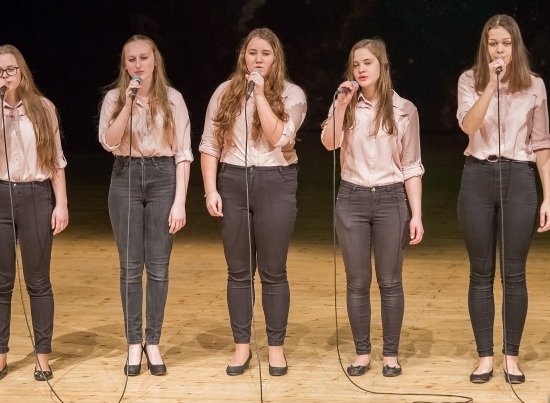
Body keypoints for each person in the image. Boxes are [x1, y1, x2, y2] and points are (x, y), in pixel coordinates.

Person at [200, 27, 306, 377]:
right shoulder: (225, 92)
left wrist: (260, 95)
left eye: (265, 54)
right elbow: (209, 144)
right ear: (242, 56)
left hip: (275, 181)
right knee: (239, 272)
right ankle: (241, 346)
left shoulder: (292, 94)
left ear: (276, 59)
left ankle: (276, 348)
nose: (257, 59)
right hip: (232, 181)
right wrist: (211, 189)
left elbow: (279, 137)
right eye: (252, 53)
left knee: (274, 272)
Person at [456, 15, 550, 384]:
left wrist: (549, 198)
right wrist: (491, 85)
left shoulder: (535, 86)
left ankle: (511, 356)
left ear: (516, 46)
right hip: (478, 175)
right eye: (493, 43)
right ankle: (484, 357)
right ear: (485, 47)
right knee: (480, 273)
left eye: (505, 43)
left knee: (514, 274)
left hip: (519, 176)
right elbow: (469, 125)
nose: (499, 49)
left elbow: (543, 143)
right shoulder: (470, 80)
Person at [0, 44, 69, 382]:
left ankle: (42, 357)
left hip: (36, 195)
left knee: (38, 281)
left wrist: (62, 203)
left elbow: (56, 160)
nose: (5, 75)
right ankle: (0, 356)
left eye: (10, 69)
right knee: (0, 282)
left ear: (22, 72)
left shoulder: (44, 109)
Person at [321, 38, 424, 378]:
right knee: (357, 280)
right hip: (352, 197)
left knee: (390, 280)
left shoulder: (404, 109)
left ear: (382, 66)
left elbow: (411, 165)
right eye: (355, 64)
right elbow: (329, 143)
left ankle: (390, 354)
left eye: (367, 63)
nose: (361, 69)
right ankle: (362, 351)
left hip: (391, 198)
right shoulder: (346, 105)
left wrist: (417, 213)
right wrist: (340, 104)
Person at [98, 35, 192, 376]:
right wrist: (127, 105)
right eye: (132, 59)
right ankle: (133, 343)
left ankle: (153, 341)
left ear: (155, 61)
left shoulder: (173, 99)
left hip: (163, 175)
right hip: (124, 175)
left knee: (158, 266)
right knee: (129, 266)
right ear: (125, 65)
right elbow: (109, 141)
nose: (138, 64)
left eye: (144, 58)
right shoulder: (114, 98)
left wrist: (180, 201)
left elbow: (183, 154)